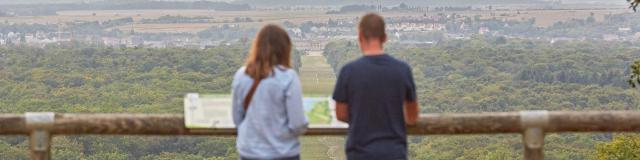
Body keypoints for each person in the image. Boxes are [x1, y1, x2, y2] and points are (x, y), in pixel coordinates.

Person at [333, 13, 419, 160]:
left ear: (360, 36)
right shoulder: (402, 70)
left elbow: (341, 114)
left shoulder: (349, 71)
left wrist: (362, 118)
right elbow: (412, 116)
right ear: (384, 37)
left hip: (360, 152)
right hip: (394, 152)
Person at [231, 24, 308, 160]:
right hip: (283, 153)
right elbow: (297, 124)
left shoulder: (241, 75)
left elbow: (238, 119)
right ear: (285, 49)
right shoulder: (288, 76)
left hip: (250, 153)